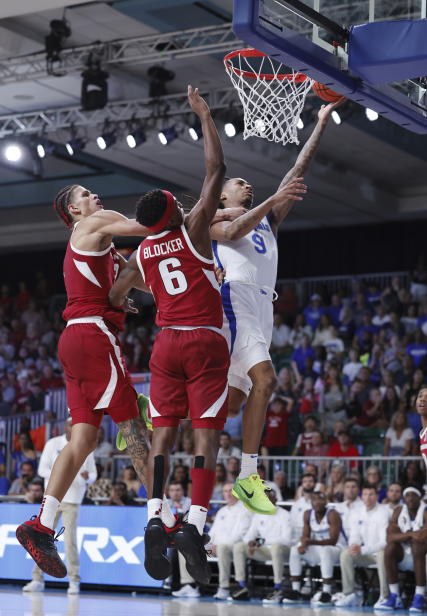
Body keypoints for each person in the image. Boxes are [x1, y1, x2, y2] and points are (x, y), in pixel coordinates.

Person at [108, 87, 305, 583]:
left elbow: (114, 294)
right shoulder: (192, 230)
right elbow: (214, 172)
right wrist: (205, 119)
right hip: (204, 340)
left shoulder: (144, 253)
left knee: (164, 433)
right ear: (175, 211)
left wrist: (125, 301)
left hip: (163, 345)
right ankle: (194, 522)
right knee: (207, 432)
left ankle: (155, 514)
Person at [16, 163, 155, 578]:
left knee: (82, 439)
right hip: (94, 337)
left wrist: (128, 294)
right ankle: (164, 518)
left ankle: (40, 523)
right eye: (86, 195)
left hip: (74, 340)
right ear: (74, 211)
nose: (95, 198)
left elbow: (142, 278)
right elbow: (149, 228)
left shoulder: (105, 252)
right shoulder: (96, 223)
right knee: (134, 432)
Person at [209, 100, 343, 514]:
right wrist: (268, 202)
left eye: (250, 185)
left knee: (229, 406)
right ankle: (249, 476)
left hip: (263, 307)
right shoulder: (212, 215)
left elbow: (296, 172)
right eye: (241, 183)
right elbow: (232, 230)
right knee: (266, 381)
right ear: (224, 191)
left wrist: (320, 122)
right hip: (236, 299)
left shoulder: (265, 219)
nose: (248, 187)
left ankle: (156, 408)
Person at [22, 418, 96, 594]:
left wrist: (88, 477)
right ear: (65, 426)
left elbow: (93, 474)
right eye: (71, 425)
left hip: (73, 499)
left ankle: (74, 580)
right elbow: (42, 470)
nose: (74, 428)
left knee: (70, 541)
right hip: (52, 499)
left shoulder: (86, 445)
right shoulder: (53, 443)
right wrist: (64, 473)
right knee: (40, 539)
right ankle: (37, 579)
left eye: (77, 425)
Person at [284, 491, 344, 605]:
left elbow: (333, 540)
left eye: (320, 500)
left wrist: (310, 542)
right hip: (318, 549)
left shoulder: (332, 514)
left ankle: (326, 592)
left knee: (326, 550)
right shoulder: (307, 514)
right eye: (314, 500)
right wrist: (303, 544)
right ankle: (296, 590)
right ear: (311, 502)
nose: (317, 503)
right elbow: (305, 535)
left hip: (336, 550)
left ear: (325, 502)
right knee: (295, 550)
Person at [231, 491, 291, 603]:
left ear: (275, 500)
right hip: (265, 551)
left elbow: (286, 540)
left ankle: (278, 588)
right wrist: (251, 543)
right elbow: (249, 535)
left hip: (284, 551)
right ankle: (242, 586)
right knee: (239, 547)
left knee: (275, 547)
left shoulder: (285, 515)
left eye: (269, 498)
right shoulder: (258, 515)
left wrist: (261, 542)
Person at [335, 484, 389, 608]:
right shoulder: (357, 512)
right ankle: (349, 594)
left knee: (382, 554)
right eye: (365, 494)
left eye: (371, 494)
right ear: (361, 496)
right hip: (365, 553)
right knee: (346, 554)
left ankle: (384, 596)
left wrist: (363, 549)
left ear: (376, 496)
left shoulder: (383, 512)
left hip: (380, 553)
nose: (368, 497)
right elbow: (354, 535)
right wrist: (354, 545)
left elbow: (384, 542)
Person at [377, 487, 427, 613]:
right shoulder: (398, 511)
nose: (410, 498)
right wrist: (411, 534)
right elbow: (390, 537)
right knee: (390, 548)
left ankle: (420, 596)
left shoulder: (425, 510)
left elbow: (422, 537)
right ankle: (395, 596)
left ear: (419, 497)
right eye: (407, 495)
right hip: (405, 554)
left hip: (423, 555)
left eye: (413, 495)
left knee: (418, 545)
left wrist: (404, 536)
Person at [209, 483, 252, 600]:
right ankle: (189, 585)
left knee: (222, 548)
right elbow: (212, 532)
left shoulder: (245, 509)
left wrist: (217, 545)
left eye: (231, 490)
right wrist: (209, 545)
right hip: (216, 547)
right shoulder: (221, 511)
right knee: (188, 548)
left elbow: (241, 534)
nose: (228, 494)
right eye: (225, 491)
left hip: (234, 546)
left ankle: (224, 588)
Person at [333, 476, 364, 541]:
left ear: (359, 489)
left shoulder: (364, 506)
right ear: (344, 489)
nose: (350, 490)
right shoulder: (338, 507)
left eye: (353, 487)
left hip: (358, 542)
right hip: (340, 542)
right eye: (347, 487)